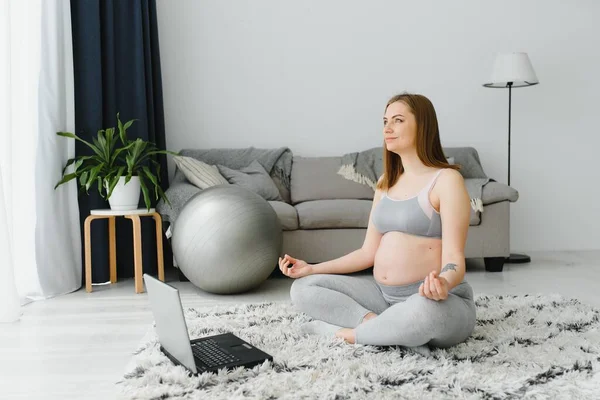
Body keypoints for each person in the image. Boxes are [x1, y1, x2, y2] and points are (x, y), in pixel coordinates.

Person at [278, 93, 476, 349]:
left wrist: (443, 283)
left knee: (423, 312)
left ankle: (346, 335)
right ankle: (379, 326)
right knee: (303, 288)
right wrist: (312, 268)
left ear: (423, 126)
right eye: (385, 121)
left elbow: (454, 260)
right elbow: (367, 252)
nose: (387, 128)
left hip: (434, 299)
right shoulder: (385, 183)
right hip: (382, 298)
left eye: (398, 120)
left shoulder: (446, 180)